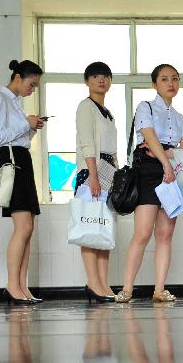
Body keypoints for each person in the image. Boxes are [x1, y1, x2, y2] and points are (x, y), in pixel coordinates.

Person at [116, 64, 183, 304]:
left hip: (171, 174)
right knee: (143, 232)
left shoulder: (180, 118)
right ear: (154, 84)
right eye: (165, 79)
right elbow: (148, 137)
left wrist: (166, 153)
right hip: (148, 172)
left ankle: (159, 289)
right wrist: (167, 157)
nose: (171, 83)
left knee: (166, 233)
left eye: (175, 79)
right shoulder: (145, 107)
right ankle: (126, 289)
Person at [0, 59, 45, 305]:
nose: (32, 90)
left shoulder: (15, 103)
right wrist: (26, 123)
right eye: (31, 85)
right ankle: (12, 285)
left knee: (28, 228)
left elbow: (20, 137)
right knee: (22, 227)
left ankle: (23, 285)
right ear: (18, 78)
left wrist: (32, 128)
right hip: (11, 160)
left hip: (22, 158)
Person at [74, 61, 118, 303]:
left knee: (104, 228)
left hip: (108, 171)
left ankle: (103, 283)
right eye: (96, 76)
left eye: (105, 76)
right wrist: (92, 175)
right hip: (91, 171)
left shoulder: (107, 112)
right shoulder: (86, 107)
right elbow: (87, 142)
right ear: (87, 81)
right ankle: (93, 282)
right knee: (91, 227)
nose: (101, 80)